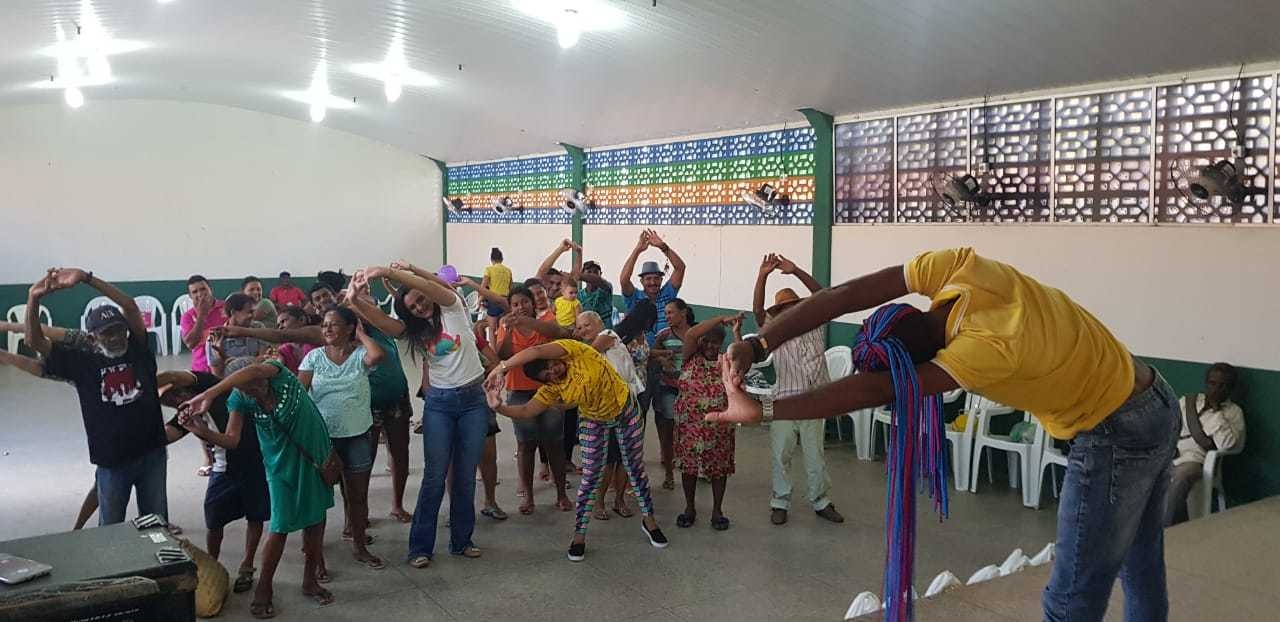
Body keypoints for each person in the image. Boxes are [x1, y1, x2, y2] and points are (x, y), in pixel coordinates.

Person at [709, 247, 1180, 621]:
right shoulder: (959, 267)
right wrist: (757, 344)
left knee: (1071, 597)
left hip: (1115, 429)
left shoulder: (985, 350)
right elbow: (846, 294)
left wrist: (762, 407)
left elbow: (880, 387)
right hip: (1153, 393)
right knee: (1141, 560)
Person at [346, 262, 487, 569]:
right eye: (411, 306)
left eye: (421, 300)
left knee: (465, 476)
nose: (419, 307)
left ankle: (462, 541)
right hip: (440, 404)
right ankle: (420, 548)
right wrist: (354, 298)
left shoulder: (452, 308)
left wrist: (391, 272)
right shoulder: (413, 331)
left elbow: (431, 286)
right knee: (434, 476)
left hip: (474, 401)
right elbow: (382, 321)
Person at [483, 338, 669, 562]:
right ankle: (579, 536)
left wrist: (501, 367)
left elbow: (536, 350)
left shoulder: (575, 351)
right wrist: (499, 407)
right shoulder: (552, 389)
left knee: (634, 468)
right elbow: (525, 410)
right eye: (546, 375)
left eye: (551, 364)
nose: (553, 371)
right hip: (593, 420)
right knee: (591, 478)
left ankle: (649, 521)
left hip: (625, 410)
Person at [179, 357, 337, 616]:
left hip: (314, 456)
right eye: (247, 387)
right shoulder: (239, 399)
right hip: (279, 463)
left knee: (316, 519)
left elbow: (252, 371)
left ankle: (310, 580)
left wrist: (208, 393)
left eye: (257, 382)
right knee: (280, 525)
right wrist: (200, 430)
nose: (255, 388)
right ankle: (264, 587)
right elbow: (232, 440)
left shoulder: (279, 374)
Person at [24, 268, 169, 526]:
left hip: (152, 453)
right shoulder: (81, 362)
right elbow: (35, 341)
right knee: (109, 530)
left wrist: (87, 278)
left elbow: (130, 306)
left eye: (119, 330)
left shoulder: (139, 349)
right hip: (112, 462)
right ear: (92, 338)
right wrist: (33, 298)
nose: (116, 338)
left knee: (157, 525)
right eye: (107, 333)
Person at [158, 369, 269, 595]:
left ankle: (247, 565)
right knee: (214, 518)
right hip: (223, 468)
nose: (175, 401)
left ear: (187, 388)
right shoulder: (187, 413)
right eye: (168, 402)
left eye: (176, 394)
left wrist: (141, 384)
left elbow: (232, 441)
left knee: (255, 515)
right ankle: (212, 564)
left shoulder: (213, 389)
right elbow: (166, 435)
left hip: (257, 462)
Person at [752, 254, 843, 526]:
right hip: (784, 402)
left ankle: (821, 501)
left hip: (815, 401)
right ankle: (780, 502)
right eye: (784, 309)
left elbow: (825, 295)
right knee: (781, 454)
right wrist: (762, 276)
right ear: (778, 314)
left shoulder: (815, 324)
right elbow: (757, 311)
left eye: (794, 306)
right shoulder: (774, 331)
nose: (790, 311)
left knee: (816, 455)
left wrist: (796, 271)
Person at [298, 305, 386, 569]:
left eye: (334, 324)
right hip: (323, 439)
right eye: (324, 324)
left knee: (357, 496)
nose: (326, 329)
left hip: (357, 435)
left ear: (349, 328)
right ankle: (315, 557)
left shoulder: (360, 356)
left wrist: (361, 334)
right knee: (318, 501)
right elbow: (300, 395)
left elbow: (377, 355)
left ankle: (359, 545)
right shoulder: (313, 358)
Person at [495, 285, 573, 514]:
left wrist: (527, 321)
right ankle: (528, 496)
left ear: (532, 303)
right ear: (510, 307)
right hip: (519, 391)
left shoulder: (544, 322)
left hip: (548, 390)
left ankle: (561, 494)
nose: (520, 307)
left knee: (554, 442)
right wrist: (509, 330)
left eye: (525, 302)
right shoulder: (505, 326)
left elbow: (558, 332)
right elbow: (502, 355)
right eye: (515, 304)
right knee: (526, 443)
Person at [573, 310, 647, 519]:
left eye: (587, 325)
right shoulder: (588, 350)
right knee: (605, 459)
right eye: (579, 327)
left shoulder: (608, 335)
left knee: (625, 458)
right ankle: (599, 503)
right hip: (602, 410)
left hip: (628, 405)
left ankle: (619, 500)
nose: (583, 330)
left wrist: (573, 343)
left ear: (600, 323)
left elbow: (586, 354)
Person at [674, 314, 742, 531]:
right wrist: (721, 318)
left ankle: (717, 511)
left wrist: (736, 332)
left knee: (719, 469)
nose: (711, 346)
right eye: (706, 341)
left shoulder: (725, 362)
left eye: (716, 342)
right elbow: (691, 334)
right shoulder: (690, 358)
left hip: (719, 427)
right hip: (690, 426)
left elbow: (742, 358)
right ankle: (689, 508)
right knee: (689, 468)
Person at [1165, 363, 1246, 526]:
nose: (1216, 389)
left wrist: (1217, 413)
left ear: (1230, 388)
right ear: (1206, 383)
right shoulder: (1188, 402)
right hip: (1170, 453)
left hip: (1194, 460)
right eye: (1212, 383)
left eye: (1223, 385)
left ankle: (1167, 530)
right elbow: (1168, 425)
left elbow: (1227, 445)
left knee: (1180, 478)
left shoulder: (1233, 412)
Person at [648, 298, 695, 490]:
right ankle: (669, 474)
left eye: (671, 312)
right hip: (668, 386)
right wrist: (662, 359)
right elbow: (650, 353)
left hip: (691, 388)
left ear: (683, 313)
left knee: (692, 431)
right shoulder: (664, 334)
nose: (667, 316)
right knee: (668, 430)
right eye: (665, 313)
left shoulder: (695, 334)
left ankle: (694, 469)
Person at [619, 229, 686, 346]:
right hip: (640, 352)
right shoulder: (635, 297)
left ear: (661, 280)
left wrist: (663, 247)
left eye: (656, 278)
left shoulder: (668, 294)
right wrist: (637, 250)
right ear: (641, 281)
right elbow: (624, 280)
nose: (652, 282)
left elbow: (680, 268)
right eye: (648, 279)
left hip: (667, 351)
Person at [208, 293, 270, 377]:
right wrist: (219, 356)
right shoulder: (215, 339)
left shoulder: (258, 327)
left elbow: (265, 359)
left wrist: (232, 362)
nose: (253, 316)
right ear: (233, 312)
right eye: (250, 312)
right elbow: (219, 376)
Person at [181, 274, 227, 374]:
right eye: (195, 292)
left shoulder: (226, 307)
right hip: (201, 369)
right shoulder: (187, 316)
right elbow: (191, 344)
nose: (200, 294)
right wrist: (202, 315)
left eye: (203, 289)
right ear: (190, 296)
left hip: (226, 366)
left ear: (211, 289)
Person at [481, 247, 513, 342]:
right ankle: (501, 345)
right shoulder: (508, 270)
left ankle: (493, 349)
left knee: (491, 328)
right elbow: (511, 287)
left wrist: (480, 299)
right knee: (502, 327)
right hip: (505, 301)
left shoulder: (489, 269)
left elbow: (483, 287)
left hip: (494, 300)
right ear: (502, 259)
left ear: (491, 259)